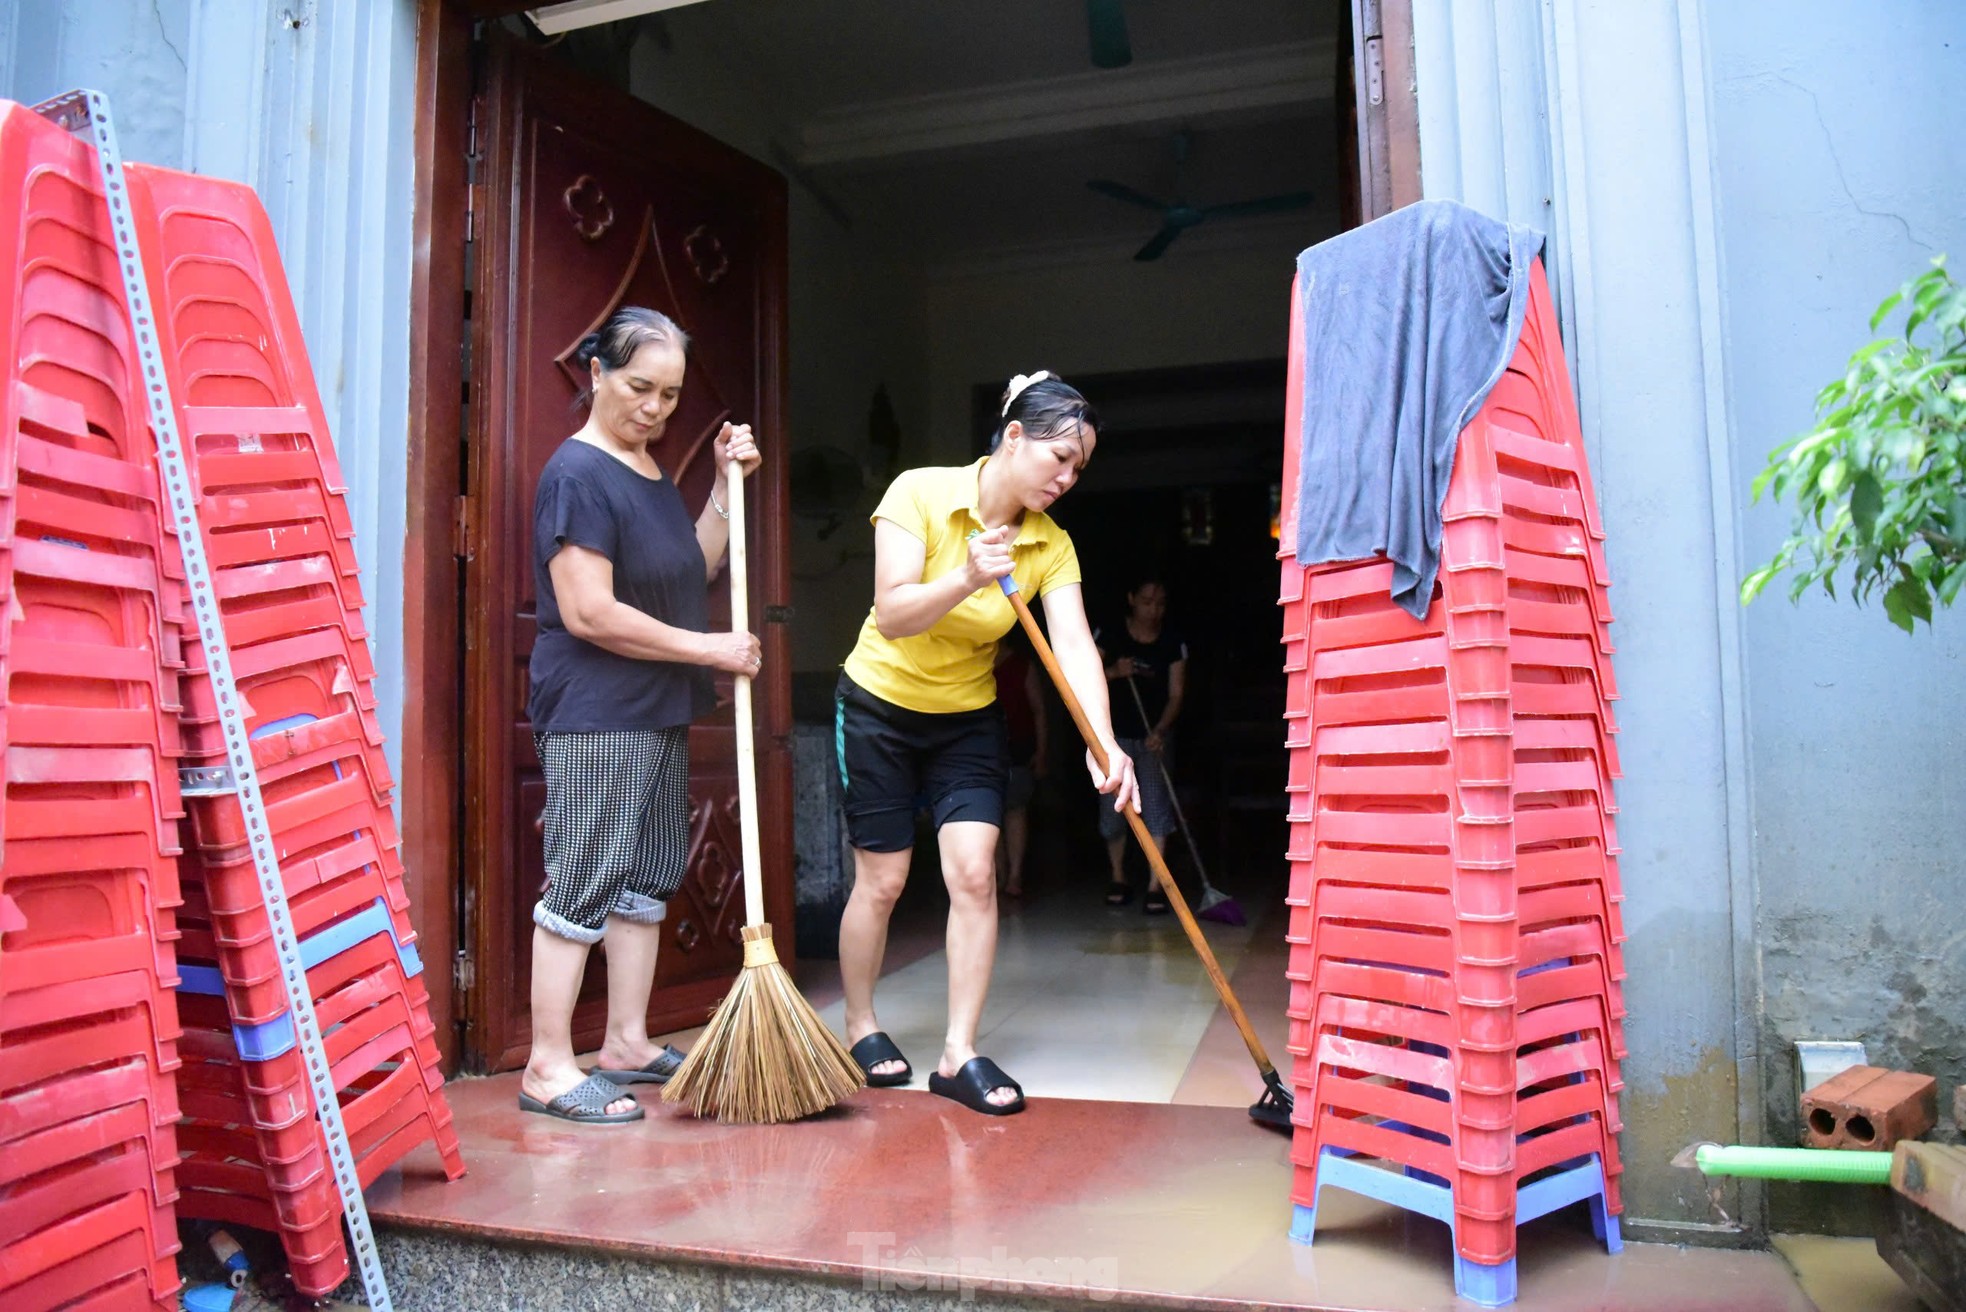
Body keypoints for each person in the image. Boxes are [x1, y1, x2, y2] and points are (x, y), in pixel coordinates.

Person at [834, 370, 1139, 1116]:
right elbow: (895, 612)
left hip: (966, 719)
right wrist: (969, 575)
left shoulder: (1051, 546)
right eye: (1059, 457)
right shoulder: (921, 493)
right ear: (1012, 436)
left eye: (1079, 468)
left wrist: (1106, 744)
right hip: (880, 705)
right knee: (883, 881)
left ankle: (957, 1052)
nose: (1068, 477)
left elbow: (1073, 648)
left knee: (974, 874)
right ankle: (861, 1025)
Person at [519, 306, 762, 1124]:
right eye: (639, 387)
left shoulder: (649, 471)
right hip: (598, 711)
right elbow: (588, 611)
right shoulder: (577, 475)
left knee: (644, 881)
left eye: (670, 394)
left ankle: (625, 1040)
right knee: (584, 881)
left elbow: (688, 568)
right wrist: (708, 651)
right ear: (595, 374)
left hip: (654, 707)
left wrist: (726, 487)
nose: (656, 408)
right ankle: (550, 1068)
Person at [1096, 576, 1187, 913]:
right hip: (1113, 739)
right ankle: (1118, 876)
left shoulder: (1172, 642)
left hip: (1152, 740)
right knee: (1114, 810)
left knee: (1156, 806)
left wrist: (1161, 731)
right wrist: (1115, 672)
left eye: (1161, 602)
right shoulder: (1110, 634)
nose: (1154, 609)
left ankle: (1155, 884)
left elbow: (1177, 694)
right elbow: (1083, 675)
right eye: (1148, 601)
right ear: (1132, 598)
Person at [992, 630, 1048, 900]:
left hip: (1018, 748)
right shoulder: (972, 663)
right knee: (988, 815)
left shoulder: (1022, 665)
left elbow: (1038, 710)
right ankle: (999, 874)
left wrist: (1042, 751)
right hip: (982, 751)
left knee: (1014, 810)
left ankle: (1014, 875)